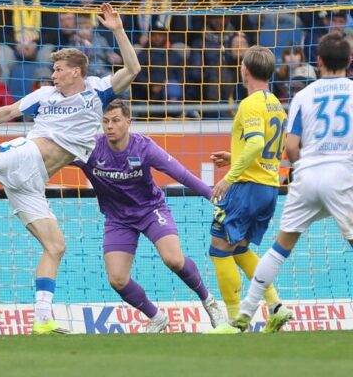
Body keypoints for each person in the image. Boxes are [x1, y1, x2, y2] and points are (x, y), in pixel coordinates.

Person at [0, 3, 140, 335]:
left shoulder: (97, 91)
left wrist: (118, 29)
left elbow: (132, 68)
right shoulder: (45, 94)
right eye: (54, 69)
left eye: (59, 69)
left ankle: (43, 319)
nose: (53, 74)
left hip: (31, 182)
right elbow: (7, 112)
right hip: (24, 156)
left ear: (76, 71)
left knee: (56, 246)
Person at [230, 32, 353, 331]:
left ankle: (245, 314)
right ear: (349, 61)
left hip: (307, 176)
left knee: (279, 248)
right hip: (342, 176)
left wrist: (307, 166)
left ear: (319, 61)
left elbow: (292, 147)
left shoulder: (303, 96)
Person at [75, 99, 226, 333]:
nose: (109, 126)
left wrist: (212, 196)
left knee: (173, 260)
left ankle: (209, 301)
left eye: (115, 120)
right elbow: (52, 157)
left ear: (128, 121)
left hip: (151, 210)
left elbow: (182, 175)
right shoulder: (90, 149)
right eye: (105, 121)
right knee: (117, 280)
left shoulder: (144, 147)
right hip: (117, 219)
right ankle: (156, 317)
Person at [206, 46, 292, 334]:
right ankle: (276, 306)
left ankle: (234, 321)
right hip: (268, 187)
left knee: (219, 248)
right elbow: (269, 148)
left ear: (244, 69)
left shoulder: (250, 104)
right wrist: (235, 155)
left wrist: (229, 177)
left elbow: (256, 143)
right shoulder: (276, 105)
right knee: (240, 249)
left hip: (247, 188)